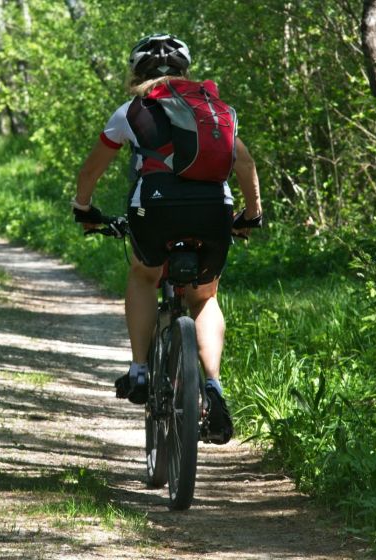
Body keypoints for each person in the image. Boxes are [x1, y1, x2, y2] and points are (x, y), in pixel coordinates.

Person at [72, 34, 262, 444]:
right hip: (214, 210)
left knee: (144, 274)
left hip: (154, 210)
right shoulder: (214, 109)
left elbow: (90, 172)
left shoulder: (131, 111)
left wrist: (83, 210)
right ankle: (213, 386)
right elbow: (244, 162)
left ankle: (139, 370)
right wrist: (252, 215)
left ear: (136, 73)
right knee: (205, 297)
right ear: (185, 71)